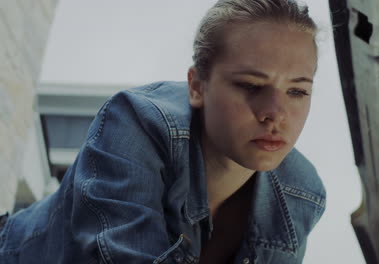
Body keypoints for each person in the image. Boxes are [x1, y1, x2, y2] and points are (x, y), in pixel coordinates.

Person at [0, 0, 326, 263]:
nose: (275, 114)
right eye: (251, 85)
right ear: (197, 86)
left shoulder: (302, 194)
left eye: (297, 91)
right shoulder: (137, 122)